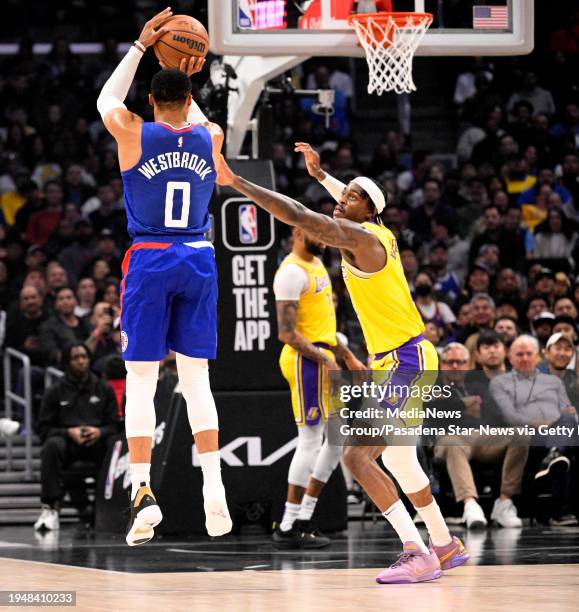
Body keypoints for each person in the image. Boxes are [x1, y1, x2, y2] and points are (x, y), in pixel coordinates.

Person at [215, 143, 468, 584]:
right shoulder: (378, 232)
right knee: (402, 464)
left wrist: (236, 182)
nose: (340, 199)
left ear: (368, 211)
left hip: (404, 360)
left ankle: (417, 552)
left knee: (356, 456)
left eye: (350, 196)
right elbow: (349, 205)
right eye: (344, 192)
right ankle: (444, 545)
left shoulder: (361, 238)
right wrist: (321, 176)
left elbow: (298, 216)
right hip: (405, 355)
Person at [97, 7, 231, 545]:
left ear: (150, 100)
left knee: (143, 379)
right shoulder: (211, 137)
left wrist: (140, 47)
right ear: (188, 94)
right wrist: (184, 65)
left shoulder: (132, 131)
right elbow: (191, 114)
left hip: (151, 257)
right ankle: (214, 487)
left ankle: (142, 489)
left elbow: (108, 100)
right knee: (196, 377)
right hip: (199, 257)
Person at [272, 227, 364, 549]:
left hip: (324, 356)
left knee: (336, 440)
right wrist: (324, 360)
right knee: (310, 439)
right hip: (304, 360)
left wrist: (347, 355)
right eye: (319, 233)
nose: (325, 240)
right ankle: (287, 525)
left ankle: (304, 517)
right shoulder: (291, 273)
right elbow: (287, 333)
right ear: (298, 231)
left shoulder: (317, 265)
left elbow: (324, 327)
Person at [434, 338, 527, 529]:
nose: (455, 366)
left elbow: (494, 413)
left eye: (460, 362)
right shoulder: (432, 383)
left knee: (521, 434)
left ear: (468, 365)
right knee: (453, 442)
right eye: (450, 362)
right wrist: (463, 404)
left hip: (482, 435)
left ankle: (504, 502)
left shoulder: (478, 383)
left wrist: (457, 406)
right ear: (441, 364)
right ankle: (470, 505)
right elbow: (434, 412)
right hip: (449, 437)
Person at [490, 335, 578, 526]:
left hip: (556, 432)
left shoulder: (553, 382)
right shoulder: (500, 383)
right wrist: (536, 423)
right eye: (519, 354)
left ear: (538, 356)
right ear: (510, 358)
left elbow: (567, 409)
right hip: (526, 436)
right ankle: (559, 511)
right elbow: (510, 416)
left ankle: (554, 455)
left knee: (570, 421)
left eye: (529, 354)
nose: (524, 358)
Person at [34, 344, 121, 531]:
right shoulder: (55, 391)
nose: (81, 361)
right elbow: (43, 428)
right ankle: (50, 508)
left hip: (97, 443)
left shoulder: (103, 388)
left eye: (84, 356)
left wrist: (100, 432)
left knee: (114, 443)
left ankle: (115, 505)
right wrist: (68, 432)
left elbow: (115, 424)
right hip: (68, 444)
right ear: (68, 362)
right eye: (76, 358)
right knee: (52, 445)